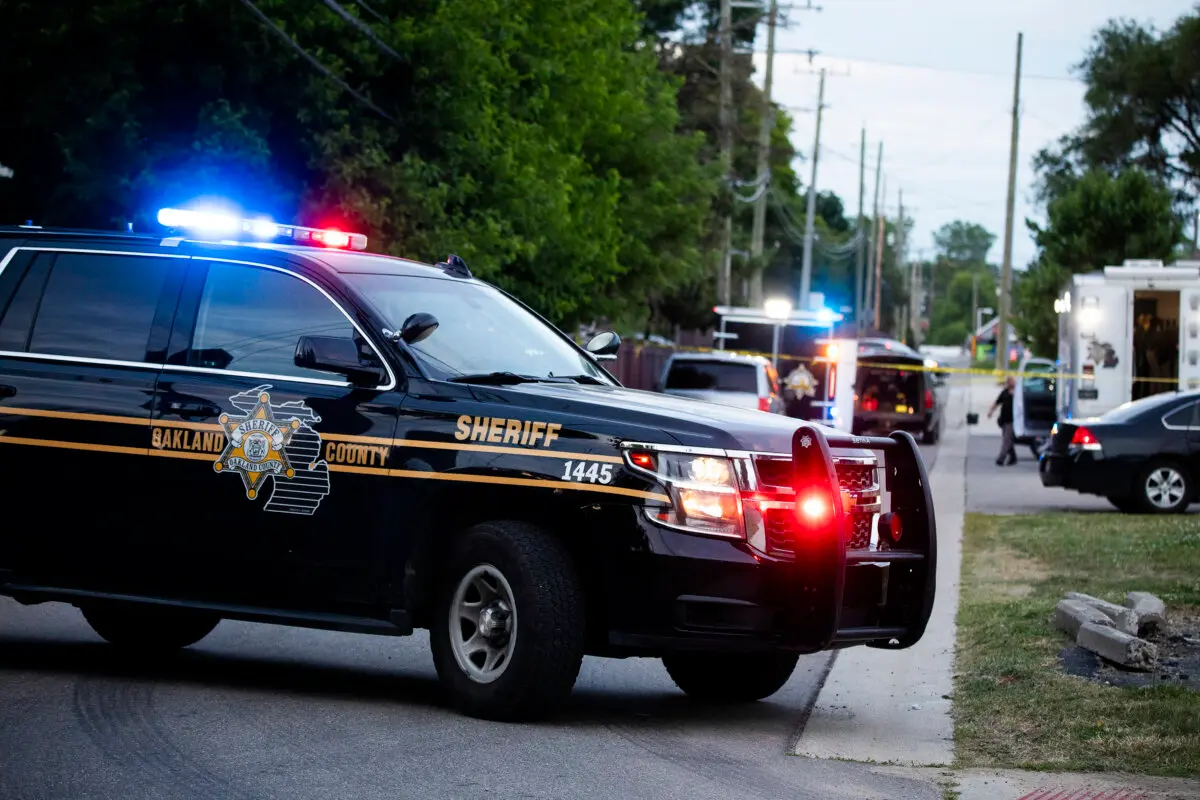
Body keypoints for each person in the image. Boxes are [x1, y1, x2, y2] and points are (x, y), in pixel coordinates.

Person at [987, 376, 1017, 466]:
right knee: (1007, 439)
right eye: (1009, 381)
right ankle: (1013, 457)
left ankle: (1001, 458)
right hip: (1004, 420)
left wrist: (1014, 394)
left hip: (1012, 421)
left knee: (1006, 440)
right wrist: (991, 411)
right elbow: (997, 402)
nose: (1010, 383)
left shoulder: (1017, 393)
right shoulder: (1004, 393)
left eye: (1011, 381)